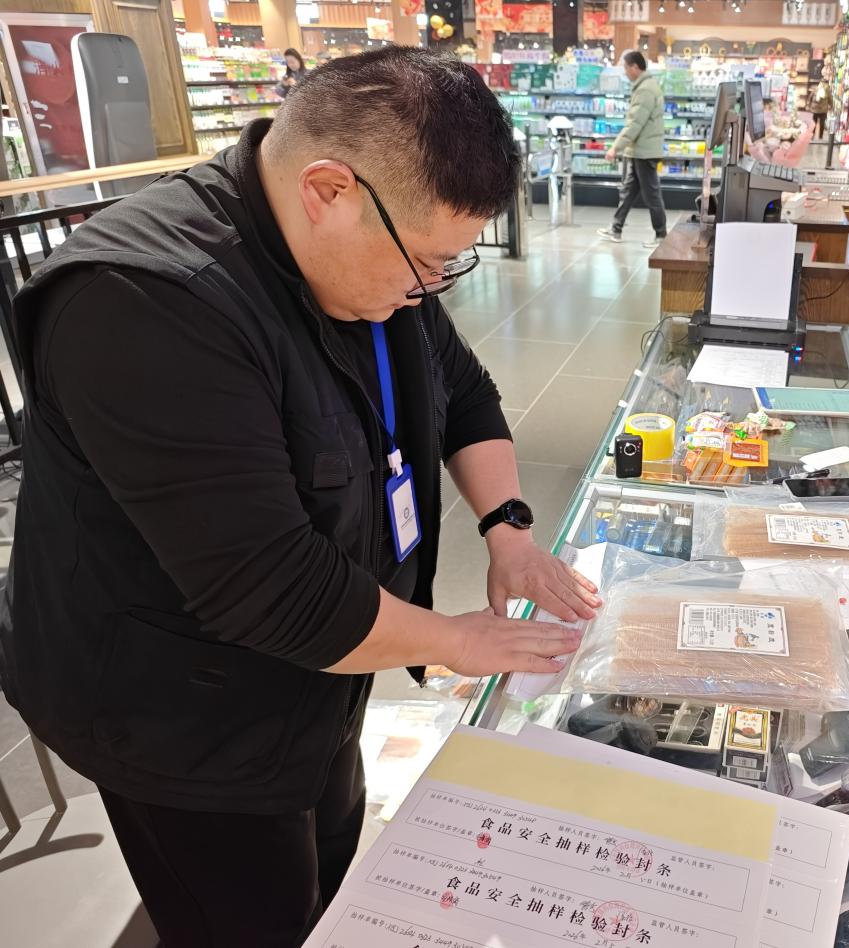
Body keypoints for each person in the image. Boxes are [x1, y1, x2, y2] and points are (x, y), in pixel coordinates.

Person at [0, 48, 600, 945]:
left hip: (321, 674)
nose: (428, 290)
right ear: (328, 189)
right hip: (178, 717)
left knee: (327, 872)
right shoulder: (143, 302)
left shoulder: (371, 266)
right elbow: (274, 591)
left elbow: (465, 394)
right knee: (247, 917)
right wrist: (455, 641)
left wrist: (508, 529)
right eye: (425, 263)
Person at [598, 50, 667, 249]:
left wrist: (615, 147)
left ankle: (661, 235)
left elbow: (635, 124)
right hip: (640, 150)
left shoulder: (645, 90)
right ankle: (616, 228)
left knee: (651, 194)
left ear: (635, 67)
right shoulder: (645, 86)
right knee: (628, 191)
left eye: (626, 68)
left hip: (645, 151)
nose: (625, 72)